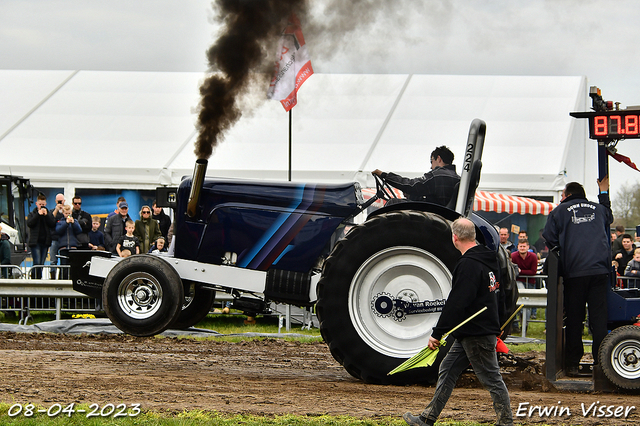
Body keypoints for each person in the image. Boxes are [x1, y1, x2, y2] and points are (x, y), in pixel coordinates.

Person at [403, 218, 512, 426]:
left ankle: (506, 422)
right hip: (471, 332)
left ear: (455, 237)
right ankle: (427, 419)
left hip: (477, 334)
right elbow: (499, 294)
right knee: (447, 369)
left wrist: (437, 333)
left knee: (492, 379)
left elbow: (457, 303)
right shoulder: (490, 260)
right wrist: (498, 323)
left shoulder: (468, 264)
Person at [542, 177, 612, 376]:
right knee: (599, 320)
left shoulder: (558, 211)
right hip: (599, 271)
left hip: (575, 272)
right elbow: (609, 217)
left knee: (575, 319)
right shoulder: (598, 209)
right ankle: (601, 364)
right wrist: (603, 193)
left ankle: (573, 363)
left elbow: (549, 237)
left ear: (567, 195)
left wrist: (563, 252)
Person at [372, 146, 460, 206]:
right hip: (443, 213)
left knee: (393, 203)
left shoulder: (436, 176)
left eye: (431, 161)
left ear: (439, 158)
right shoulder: (459, 179)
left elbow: (410, 185)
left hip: (433, 214)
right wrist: (412, 196)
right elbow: (435, 199)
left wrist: (384, 175)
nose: (431, 166)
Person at [26, 193, 56, 279]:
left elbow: (52, 224)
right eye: (40, 204)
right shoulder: (32, 214)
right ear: (37, 204)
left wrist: (46, 216)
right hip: (35, 242)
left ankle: (39, 278)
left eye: (43, 204)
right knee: (37, 262)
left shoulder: (48, 214)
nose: (42, 206)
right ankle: (34, 278)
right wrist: (38, 215)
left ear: (46, 204)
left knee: (42, 262)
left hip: (45, 242)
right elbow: (30, 223)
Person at [511, 239, 539, 320]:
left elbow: (533, 271)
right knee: (521, 300)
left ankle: (525, 324)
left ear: (528, 247)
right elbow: (513, 271)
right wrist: (520, 272)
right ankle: (519, 319)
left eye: (524, 246)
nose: (522, 248)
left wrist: (520, 271)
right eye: (521, 246)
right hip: (518, 281)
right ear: (517, 247)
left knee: (528, 303)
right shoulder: (513, 256)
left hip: (530, 282)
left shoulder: (533, 256)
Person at [55, 205, 82, 279]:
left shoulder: (75, 221)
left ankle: (72, 280)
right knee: (64, 266)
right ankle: (63, 280)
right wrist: (66, 223)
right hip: (63, 247)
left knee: (73, 266)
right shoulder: (60, 222)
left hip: (73, 246)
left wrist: (73, 223)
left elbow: (79, 231)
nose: (68, 215)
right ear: (63, 213)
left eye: (69, 213)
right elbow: (58, 231)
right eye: (66, 213)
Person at [48, 193, 66, 278]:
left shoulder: (66, 210)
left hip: (63, 239)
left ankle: (62, 277)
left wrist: (64, 211)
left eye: (61, 201)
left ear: (64, 201)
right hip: (54, 238)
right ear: (55, 201)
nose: (60, 203)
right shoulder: (52, 211)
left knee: (64, 260)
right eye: (58, 201)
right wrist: (56, 209)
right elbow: (50, 221)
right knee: (53, 260)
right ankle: (52, 277)